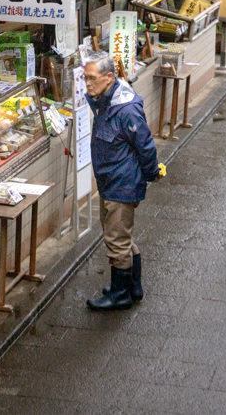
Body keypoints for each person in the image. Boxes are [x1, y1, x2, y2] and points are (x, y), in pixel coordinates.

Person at [83, 51, 161, 311]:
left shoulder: (125, 109)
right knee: (119, 235)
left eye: (92, 78)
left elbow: (146, 146)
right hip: (111, 181)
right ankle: (132, 287)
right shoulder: (104, 99)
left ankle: (120, 294)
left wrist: (152, 174)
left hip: (122, 183)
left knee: (116, 239)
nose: (87, 83)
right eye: (85, 78)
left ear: (109, 77)